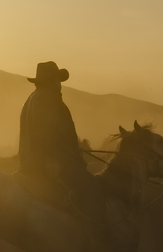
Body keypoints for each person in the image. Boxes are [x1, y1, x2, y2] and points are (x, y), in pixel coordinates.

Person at [18, 62, 108, 225]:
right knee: (93, 189)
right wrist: (51, 159)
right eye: (58, 80)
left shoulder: (31, 98)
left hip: (32, 162)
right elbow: (46, 132)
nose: (60, 84)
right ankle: (95, 234)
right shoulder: (48, 98)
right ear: (52, 80)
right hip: (56, 163)